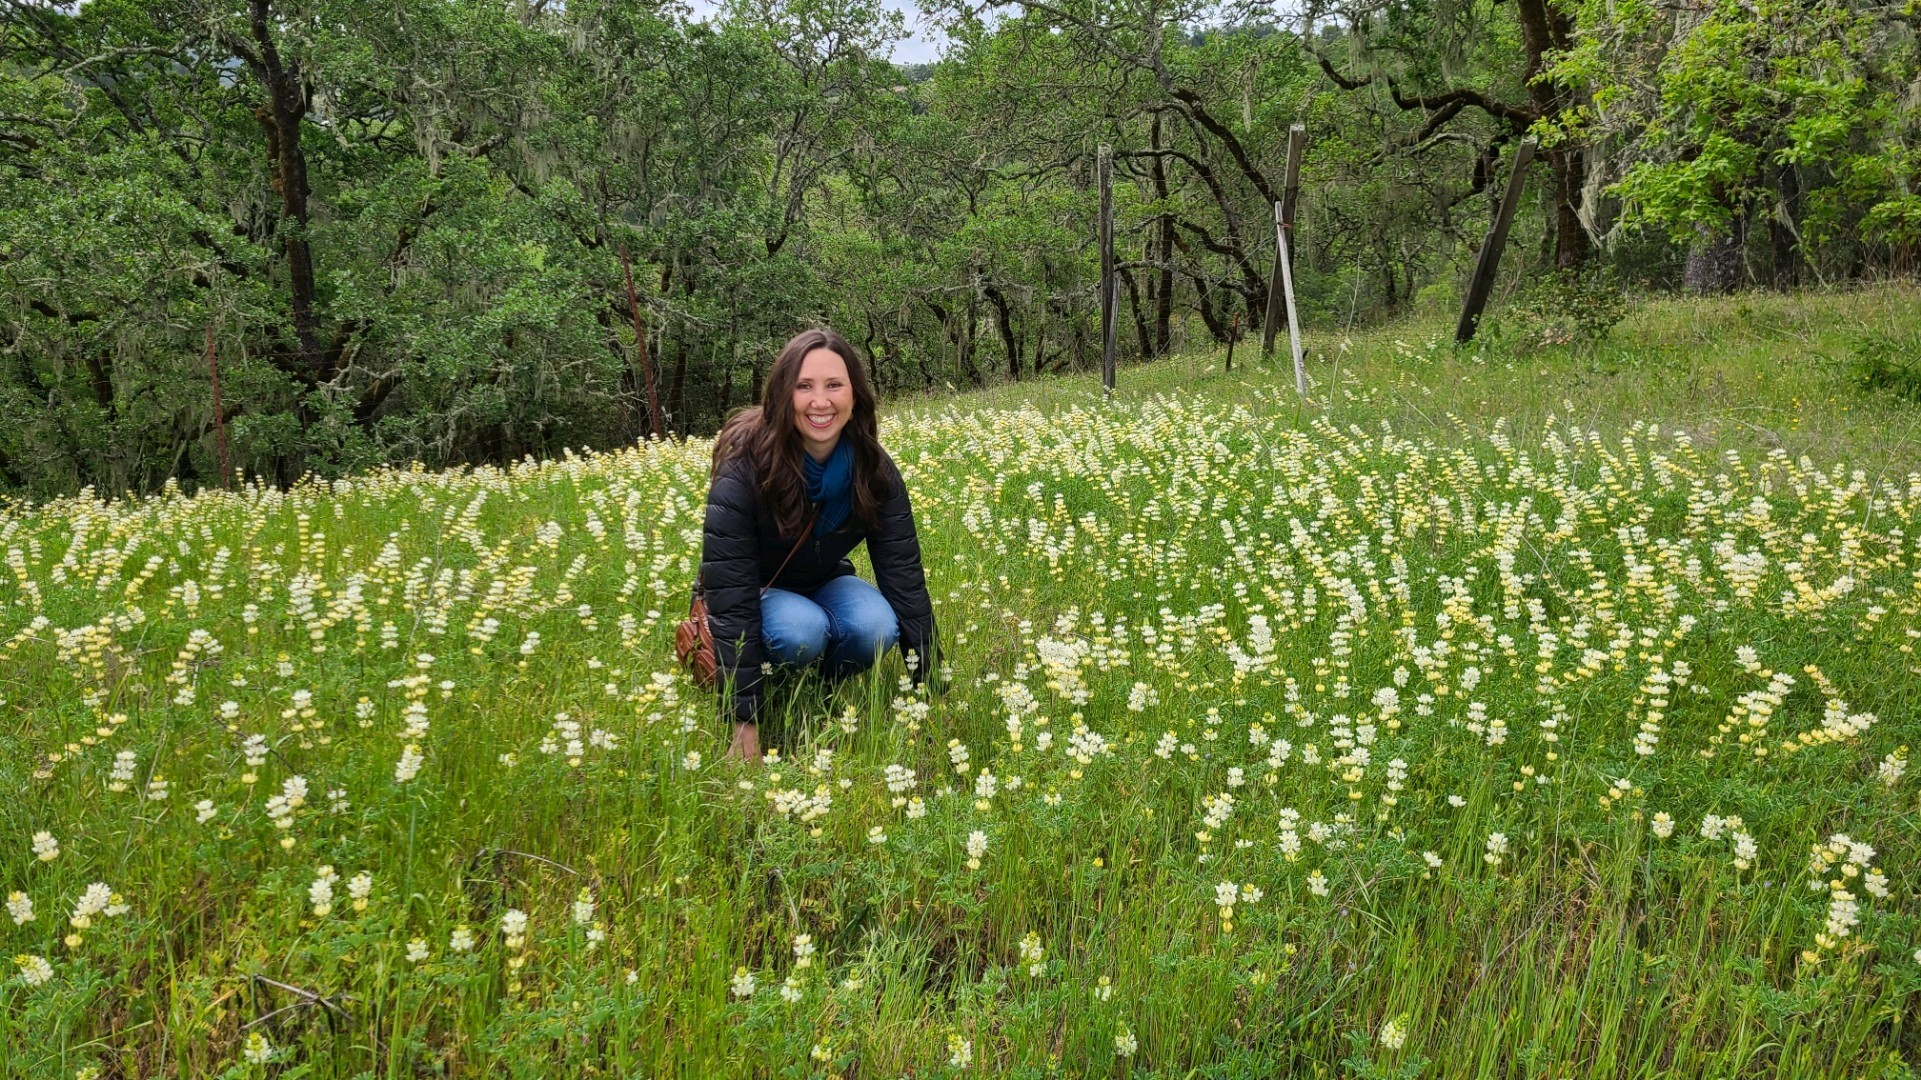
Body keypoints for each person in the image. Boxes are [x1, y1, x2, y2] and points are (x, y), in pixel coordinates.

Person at [699, 328, 941, 762]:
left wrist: (930, 687)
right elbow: (732, 595)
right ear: (781, 394)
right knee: (801, 630)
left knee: (875, 626)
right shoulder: (744, 467)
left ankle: (820, 688)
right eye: (804, 386)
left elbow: (903, 576)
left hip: (823, 579)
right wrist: (743, 724)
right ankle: (779, 681)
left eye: (834, 385)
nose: (820, 401)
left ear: (856, 395)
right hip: (759, 590)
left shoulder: (873, 469)